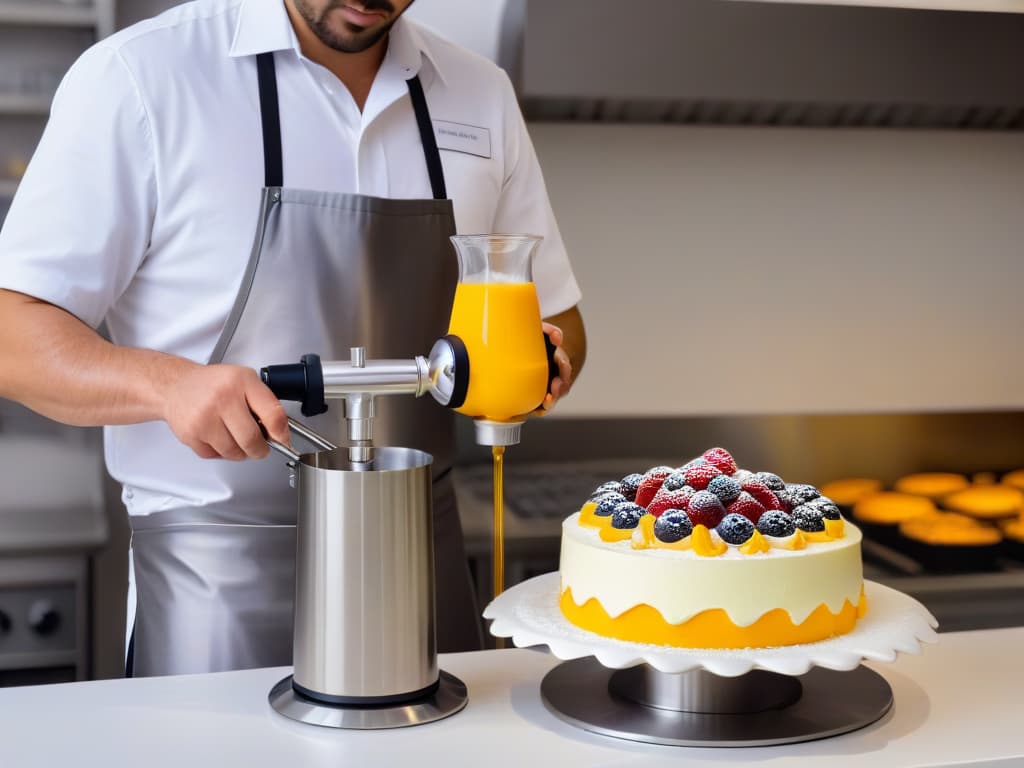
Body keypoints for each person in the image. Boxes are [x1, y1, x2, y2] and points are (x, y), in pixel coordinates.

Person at [0, 0, 586, 677]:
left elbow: (561, 320)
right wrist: (167, 385)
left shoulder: (480, 93)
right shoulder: (140, 77)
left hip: (425, 572)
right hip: (219, 585)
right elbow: (13, 330)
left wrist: (542, 359)